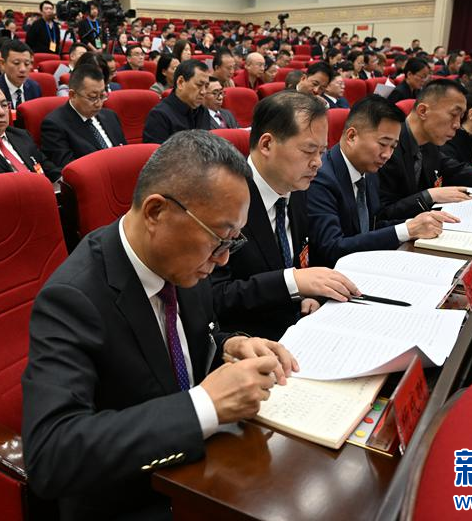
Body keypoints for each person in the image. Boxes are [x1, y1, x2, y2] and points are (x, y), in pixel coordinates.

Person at [23, 129, 298, 519]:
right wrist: (204, 405)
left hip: (201, 469)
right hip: (134, 497)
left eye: (233, 242)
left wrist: (229, 344)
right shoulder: (73, 299)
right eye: (219, 239)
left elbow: (180, 345)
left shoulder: (184, 262)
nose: (223, 260)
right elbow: (52, 455)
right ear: (156, 212)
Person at [210, 91, 361, 339]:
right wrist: (292, 282)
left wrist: (306, 295)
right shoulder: (221, 199)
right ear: (267, 144)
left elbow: (302, 259)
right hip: (248, 339)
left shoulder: (296, 187)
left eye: (322, 152)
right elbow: (214, 296)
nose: (318, 163)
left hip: (299, 327)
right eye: (309, 151)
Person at [308, 95, 458, 268]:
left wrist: (416, 223)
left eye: (393, 147)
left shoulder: (369, 171)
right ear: (352, 136)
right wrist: (406, 230)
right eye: (382, 144)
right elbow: (332, 248)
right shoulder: (320, 178)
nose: (387, 154)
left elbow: (373, 224)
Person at [378, 79, 472, 221]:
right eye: (454, 115)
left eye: (461, 117)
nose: (457, 124)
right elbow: (381, 215)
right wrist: (429, 196)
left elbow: (456, 170)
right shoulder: (387, 147)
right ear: (423, 111)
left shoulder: (429, 143)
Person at [40, 65, 127, 169]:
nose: (99, 103)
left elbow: (124, 152)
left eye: (102, 96)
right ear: (72, 95)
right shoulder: (55, 125)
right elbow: (70, 169)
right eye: (92, 97)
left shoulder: (110, 116)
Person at [143, 59, 210, 143]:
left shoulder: (203, 111)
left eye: (206, 86)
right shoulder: (159, 116)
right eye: (199, 85)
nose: (204, 92)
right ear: (180, 82)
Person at [0, 39, 41, 110]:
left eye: (27, 64)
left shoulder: (34, 88)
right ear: (2, 63)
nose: (23, 69)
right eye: (16, 63)